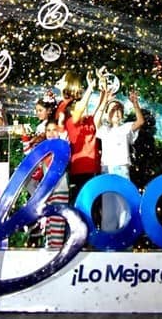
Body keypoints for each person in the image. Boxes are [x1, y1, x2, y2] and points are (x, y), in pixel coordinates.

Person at [56, 70, 108, 203]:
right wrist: (90, 88)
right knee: (81, 204)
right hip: (78, 170)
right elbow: (78, 110)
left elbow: (101, 108)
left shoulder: (90, 121)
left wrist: (103, 86)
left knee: (94, 206)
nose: (85, 108)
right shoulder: (69, 120)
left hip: (94, 169)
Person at [96, 90, 144, 231]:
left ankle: (124, 234)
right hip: (107, 169)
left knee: (124, 203)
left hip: (122, 169)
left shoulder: (126, 127)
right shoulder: (104, 130)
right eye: (113, 110)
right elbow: (96, 120)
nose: (116, 112)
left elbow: (140, 121)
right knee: (108, 203)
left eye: (119, 110)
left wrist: (135, 103)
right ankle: (109, 235)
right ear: (107, 114)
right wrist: (105, 101)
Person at [41, 120, 69, 250]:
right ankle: (50, 253)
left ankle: (56, 255)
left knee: (58, 225)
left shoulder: (62, 147)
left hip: (60, 191)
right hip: (47, 194)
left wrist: (62, 122)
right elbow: (28, 153)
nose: (51, 133)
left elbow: (65, 138)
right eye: (48, 130)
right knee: (49, 226)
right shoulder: (44, 150)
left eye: (54, 130)